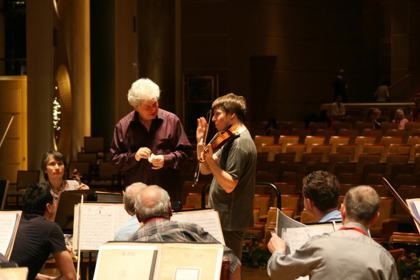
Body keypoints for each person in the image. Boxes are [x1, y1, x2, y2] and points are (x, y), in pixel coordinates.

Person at [267, 185, 398, 280]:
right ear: (376, 217)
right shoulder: (384, 258)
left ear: (342, 210)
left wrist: (278, 250)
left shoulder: (319, 244)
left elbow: (278, 271)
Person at [110, 78, 192, 206]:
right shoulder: (123, 126)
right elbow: (115, 160)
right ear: (135, 107)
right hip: (137, 197)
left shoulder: (172, 120)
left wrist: (166, 159)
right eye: (148, 107)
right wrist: (134, 157)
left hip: (168, 191)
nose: (154, 109)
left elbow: (186, 154)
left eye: (155, 104)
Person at [196, 93, 257, 259]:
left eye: (217, 114)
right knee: (223, 267)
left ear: (232, 115)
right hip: (222, 215)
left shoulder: (239, 143)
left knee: (230, 267)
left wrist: (210, 160)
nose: (213, 119)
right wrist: (200, 143)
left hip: (230, 217)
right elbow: (205, 169)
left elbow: (229, 185)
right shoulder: (230, 138)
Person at [134, 185, 241, 279]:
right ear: (170, 210)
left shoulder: (130, 244)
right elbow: (232, 262)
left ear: (138, 216)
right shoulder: (189, 230)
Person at [10, 182, 76, 280]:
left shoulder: (13, 221)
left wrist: (39, 277)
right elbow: (70, 277)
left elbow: (15, 266)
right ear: (49, 207)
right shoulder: (50, 228)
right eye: (55, 201)